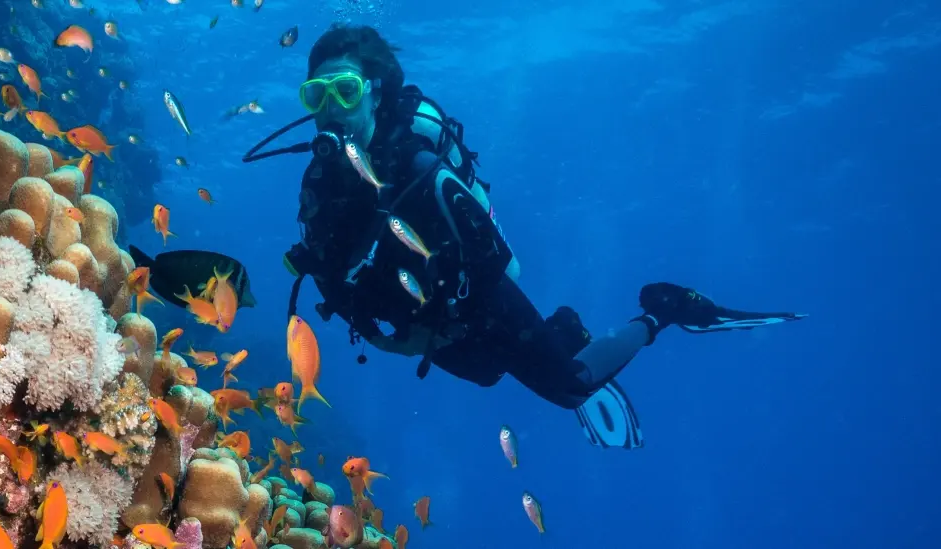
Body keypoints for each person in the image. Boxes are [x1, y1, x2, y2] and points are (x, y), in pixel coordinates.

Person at [245, 25, 804, 445]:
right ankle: (563, 327)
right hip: (424, 320)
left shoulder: (419, 168)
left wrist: (448, 305)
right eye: (315, 96)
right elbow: (326, 263)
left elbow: (491, 259)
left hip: (474, 299)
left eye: (344, 91)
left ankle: (662, 310)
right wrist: (384, 325)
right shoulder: (322, 180)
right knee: (488, 374)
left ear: (375, 90)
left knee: (570, 388)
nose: (330, 111)